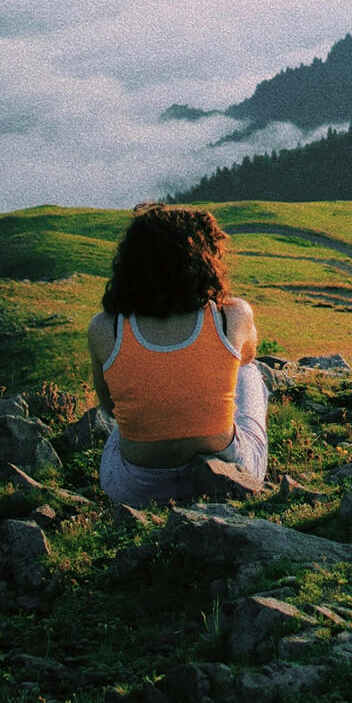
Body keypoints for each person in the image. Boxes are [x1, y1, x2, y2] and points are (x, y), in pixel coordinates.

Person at [86, 203, 269, 504]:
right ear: (204, 259)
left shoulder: (106, 328)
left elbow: (109, 408)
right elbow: (249, 355)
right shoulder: (232, 316)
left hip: (136, 489)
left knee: (126, 422)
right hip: (229, 470)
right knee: (248, 370)